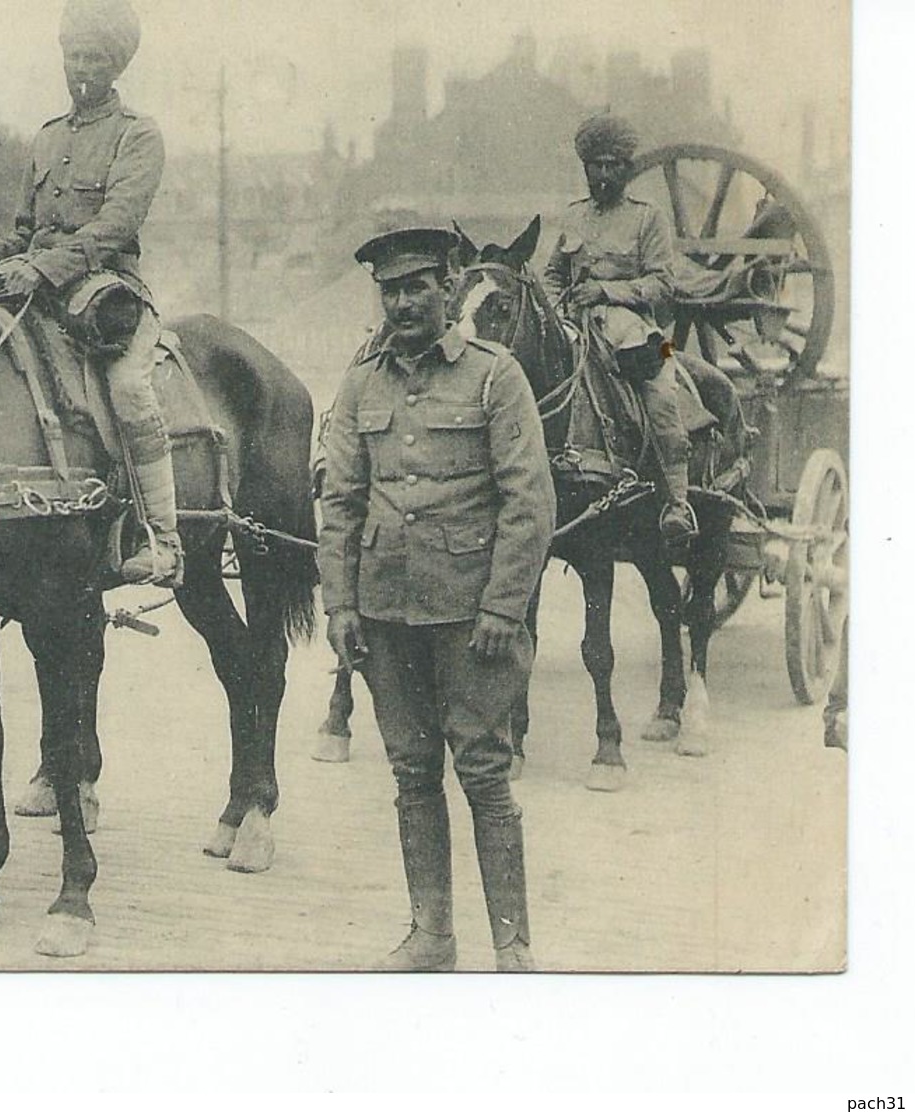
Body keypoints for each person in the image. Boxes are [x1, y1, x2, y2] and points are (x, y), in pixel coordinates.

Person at [318, 227, 556, 972]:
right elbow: (341, 502)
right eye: (389, 290)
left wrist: (502, 607)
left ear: (447, 290)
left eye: (417, 287)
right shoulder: (361, 382)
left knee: (483, 773)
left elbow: (529, 502)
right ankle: (430, 935)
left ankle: (511, 945)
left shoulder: (495, 375)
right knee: (412, 774)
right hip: (385, 615)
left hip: (470, 619)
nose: (403, 302)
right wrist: (339, 606)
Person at [0, 0, 180, 585]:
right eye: (72, 54)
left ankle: (164, 538)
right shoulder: (46, 140)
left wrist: (40, 268)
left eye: (94, 57)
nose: (80, 66)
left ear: (117, 65)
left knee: (127, 390)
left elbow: (115, 226)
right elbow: (25, 233)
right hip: (38, 288)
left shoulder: (137, 136)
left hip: (107, 293)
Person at [545, 112, 698, 543]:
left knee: (663, 394)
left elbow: (663, 284)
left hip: (645, 335)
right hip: (576, 325)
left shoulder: (647, 219)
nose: (606, 174)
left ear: (627, 170)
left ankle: (677, 505)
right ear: (586, 168)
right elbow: (553, 273)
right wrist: (558, 305)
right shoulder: (572, 218)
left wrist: (607, 292)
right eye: (598, 165)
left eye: (614, 165)